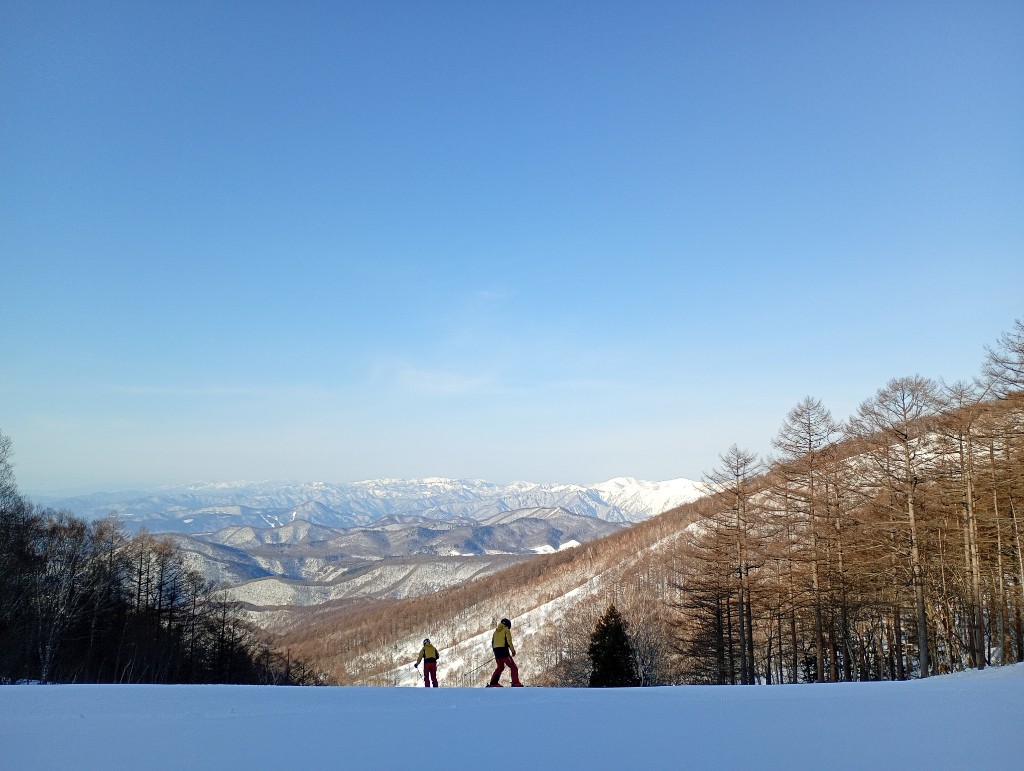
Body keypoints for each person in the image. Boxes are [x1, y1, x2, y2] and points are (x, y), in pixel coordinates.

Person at [487, 618, 523, 687]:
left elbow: (493, 643)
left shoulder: (495, 632)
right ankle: (515, 683)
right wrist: (513, 651)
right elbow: (509, 641)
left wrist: (496, 653)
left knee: (500, 667)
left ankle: (493, 683)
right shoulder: (506, 630)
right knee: (513, 667)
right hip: (504, 652)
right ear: (508, 625)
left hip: (496, 652)